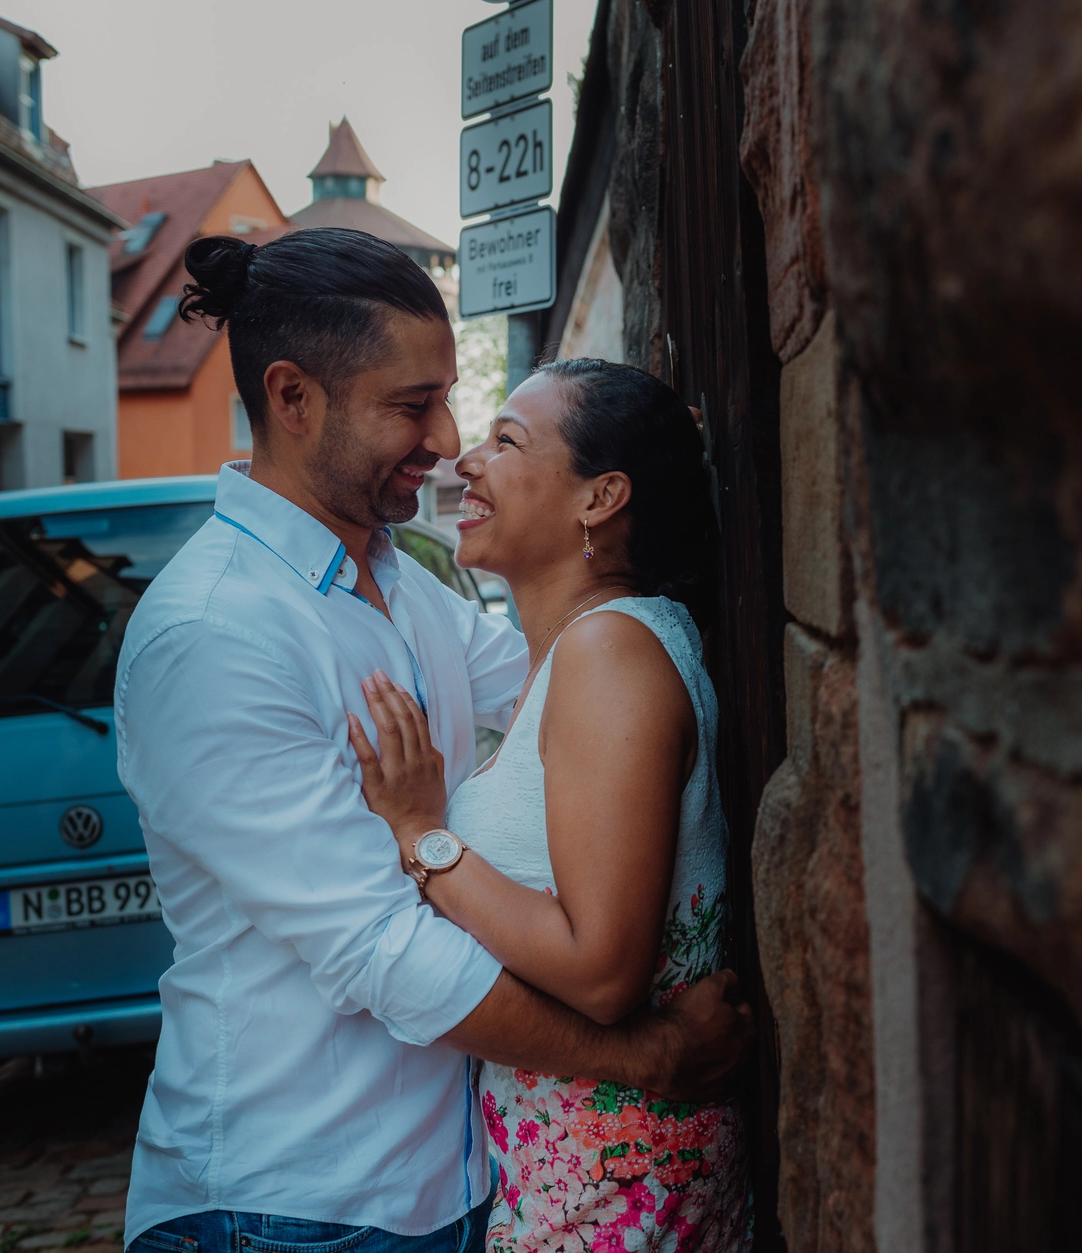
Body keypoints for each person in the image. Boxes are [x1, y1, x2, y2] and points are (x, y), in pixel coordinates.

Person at [114, 229, 750, 1253]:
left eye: (452, 399)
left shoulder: (404, 583)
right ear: (292, 399)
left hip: (465, 1184)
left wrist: (645, 491)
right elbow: (378, 946)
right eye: (411, 405)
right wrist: (644, 1056)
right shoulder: (215, 633)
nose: (444, 435)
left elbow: (573, 686)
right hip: (296, 1206)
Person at [346, 359, 749, 1252]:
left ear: (601, 496)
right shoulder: (592, 645)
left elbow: (603, 971)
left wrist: (425, 837)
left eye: (508, 439)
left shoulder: (610, 653)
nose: (466, 461)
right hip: (587, 1175)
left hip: (615, 1190)